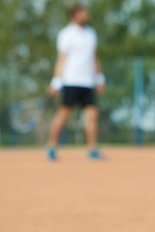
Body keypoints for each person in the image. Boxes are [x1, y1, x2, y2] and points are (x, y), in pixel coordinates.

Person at [47, 4, 105, 161]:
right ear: (74, 15)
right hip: (71, 81)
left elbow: (94, 58)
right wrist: (56, 82)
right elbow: (62, 60)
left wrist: (99, 78)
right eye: (82, 12)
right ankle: (52, 147)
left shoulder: (91, 34)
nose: (86, 15)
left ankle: (92, 149)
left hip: (88, 82)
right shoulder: (66, 35)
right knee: (64, 114)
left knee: (92, 115)